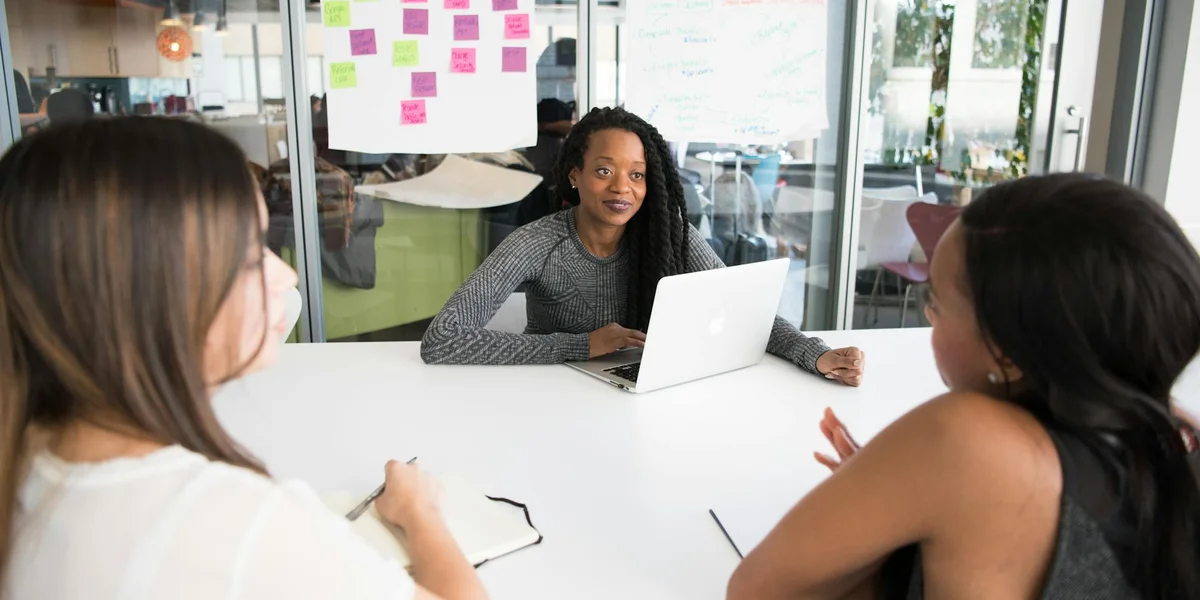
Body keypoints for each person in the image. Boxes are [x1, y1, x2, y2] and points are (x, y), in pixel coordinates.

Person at [0, 118, 488, 600]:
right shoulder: (229, 525)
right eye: (251, 255)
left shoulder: (31, 460)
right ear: (148, 291)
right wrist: (421, 514)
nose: (286, 276)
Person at [728, 174, 1200, 599]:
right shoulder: (1176, 435)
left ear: (1009, 352)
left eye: (938, 301)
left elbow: (755, 590)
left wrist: (895, 497)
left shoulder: (963, 439)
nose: (929, 315)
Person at [420, 107, 865, 385]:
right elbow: (442, 340)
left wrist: (815, 354)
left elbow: (744, 312)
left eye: (637, 174)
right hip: (546, 398)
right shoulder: (536, 243)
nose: (622, 188)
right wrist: (579, 345)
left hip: (642, 395)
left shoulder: (667, 235)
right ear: (575, 175)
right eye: (604, 171)